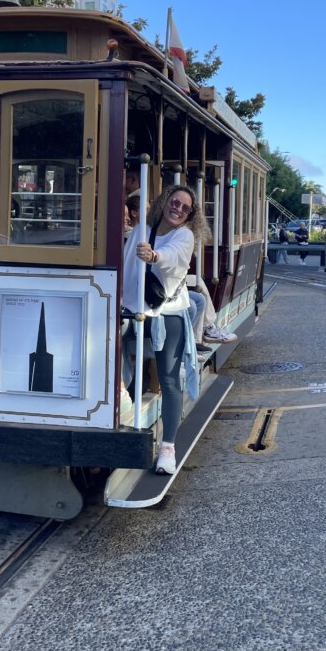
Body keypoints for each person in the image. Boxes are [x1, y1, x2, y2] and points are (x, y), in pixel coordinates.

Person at [122, 184, 210, 476]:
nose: (178, 209)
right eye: (175, 202)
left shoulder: (184, 235)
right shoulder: (139, 230)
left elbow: (172, 258)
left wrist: (154, 257)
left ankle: (168, 449)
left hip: (166, 315)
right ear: (165, 202)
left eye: (186, 208)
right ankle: (124, 419)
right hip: (133, 313)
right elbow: (125, 269)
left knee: (169, 379)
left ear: (190, 215)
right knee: (119, 366)